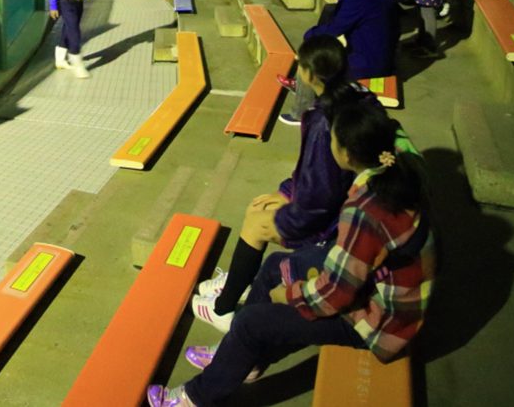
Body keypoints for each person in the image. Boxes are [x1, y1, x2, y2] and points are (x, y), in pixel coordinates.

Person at [148, 105, 433, 407]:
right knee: (274, 265)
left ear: (347, 156)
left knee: (251, 323)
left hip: (380, 323)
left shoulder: (367, 210)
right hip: (377, 287)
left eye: (331, 142)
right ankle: (244, 357)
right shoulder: (392, 169)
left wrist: (288, 295)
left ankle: (192, 398)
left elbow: (334, 295)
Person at [191, 37, 377, 332]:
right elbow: (315, 175)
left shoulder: (324, 122)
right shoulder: (359, 95)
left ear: (309, 74)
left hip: (330, 221)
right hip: (342, 202)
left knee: (256, 224)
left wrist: (287, 212)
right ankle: (237, 280)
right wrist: (286, 192)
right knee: (262, 204)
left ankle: (223, 309)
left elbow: (319, 197)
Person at [279, 0, 397, 125]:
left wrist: (309, 36)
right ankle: (302, 85)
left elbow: (335, 29)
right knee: (329, 11)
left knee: (310, 59)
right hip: (383, 55)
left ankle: (301, 113)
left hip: (369, 62)